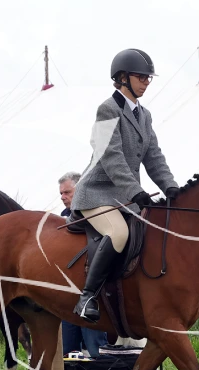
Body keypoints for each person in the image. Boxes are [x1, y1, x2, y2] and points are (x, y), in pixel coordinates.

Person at [70, 48, 180, 322]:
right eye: (141, 77)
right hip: (96, 193)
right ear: (122, 78)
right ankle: (87, 298)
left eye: (148, 78)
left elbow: (153, 156)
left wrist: (171, 186)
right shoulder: (107, 109)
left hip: (124, 197)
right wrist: (136, 191)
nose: (146, 82)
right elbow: (111, 156)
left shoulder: (145, 115)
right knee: (118, 233)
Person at [58, 171, 109, 356]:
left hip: (90, 294)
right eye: (61, 193)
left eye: (67, 192)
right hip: (68, 296)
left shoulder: (99, 214)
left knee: (96, 352)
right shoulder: (62, 219)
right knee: (68, 354)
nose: (63, 197)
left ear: (80, 190)